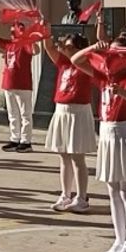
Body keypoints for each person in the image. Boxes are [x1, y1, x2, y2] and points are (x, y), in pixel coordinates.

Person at [71, 29, 126, 252]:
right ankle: (119, 238)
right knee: (112, 190)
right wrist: (95, 47)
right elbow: (75, 60)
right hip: (107, 132)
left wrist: (121, 91)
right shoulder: (104, 76)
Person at [41, 32, 96, 213]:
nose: (65, 49)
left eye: (70, 47)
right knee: (63, 156)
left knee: (77, 157)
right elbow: (48, 46)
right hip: (62, 110)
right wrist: (45, 31)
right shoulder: (63, 63)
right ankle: (66, 194)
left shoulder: (86, 64)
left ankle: (81, 197)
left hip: (78, 111)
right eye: (65, 46)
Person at [0, 18, 40, 153]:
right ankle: (14, 138)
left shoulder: (25, 44)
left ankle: (26, 141)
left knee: (25, 114)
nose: (13, 34)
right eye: (12, 32)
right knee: (12, 114)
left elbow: (36, 51)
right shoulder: (9, 44)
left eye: (16, 32)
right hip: (9, 83)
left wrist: (31, 37)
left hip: (23, 84)